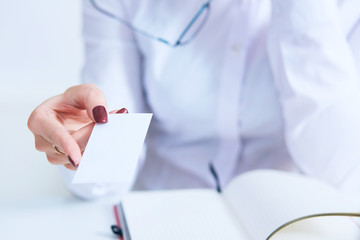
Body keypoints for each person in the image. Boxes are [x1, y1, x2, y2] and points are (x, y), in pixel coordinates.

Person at [28, 0, 360, 199]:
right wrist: (83, 148)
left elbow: (341, 174)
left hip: (289, 219)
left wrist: (305, 14)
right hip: (162, 213)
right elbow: (108, 172)